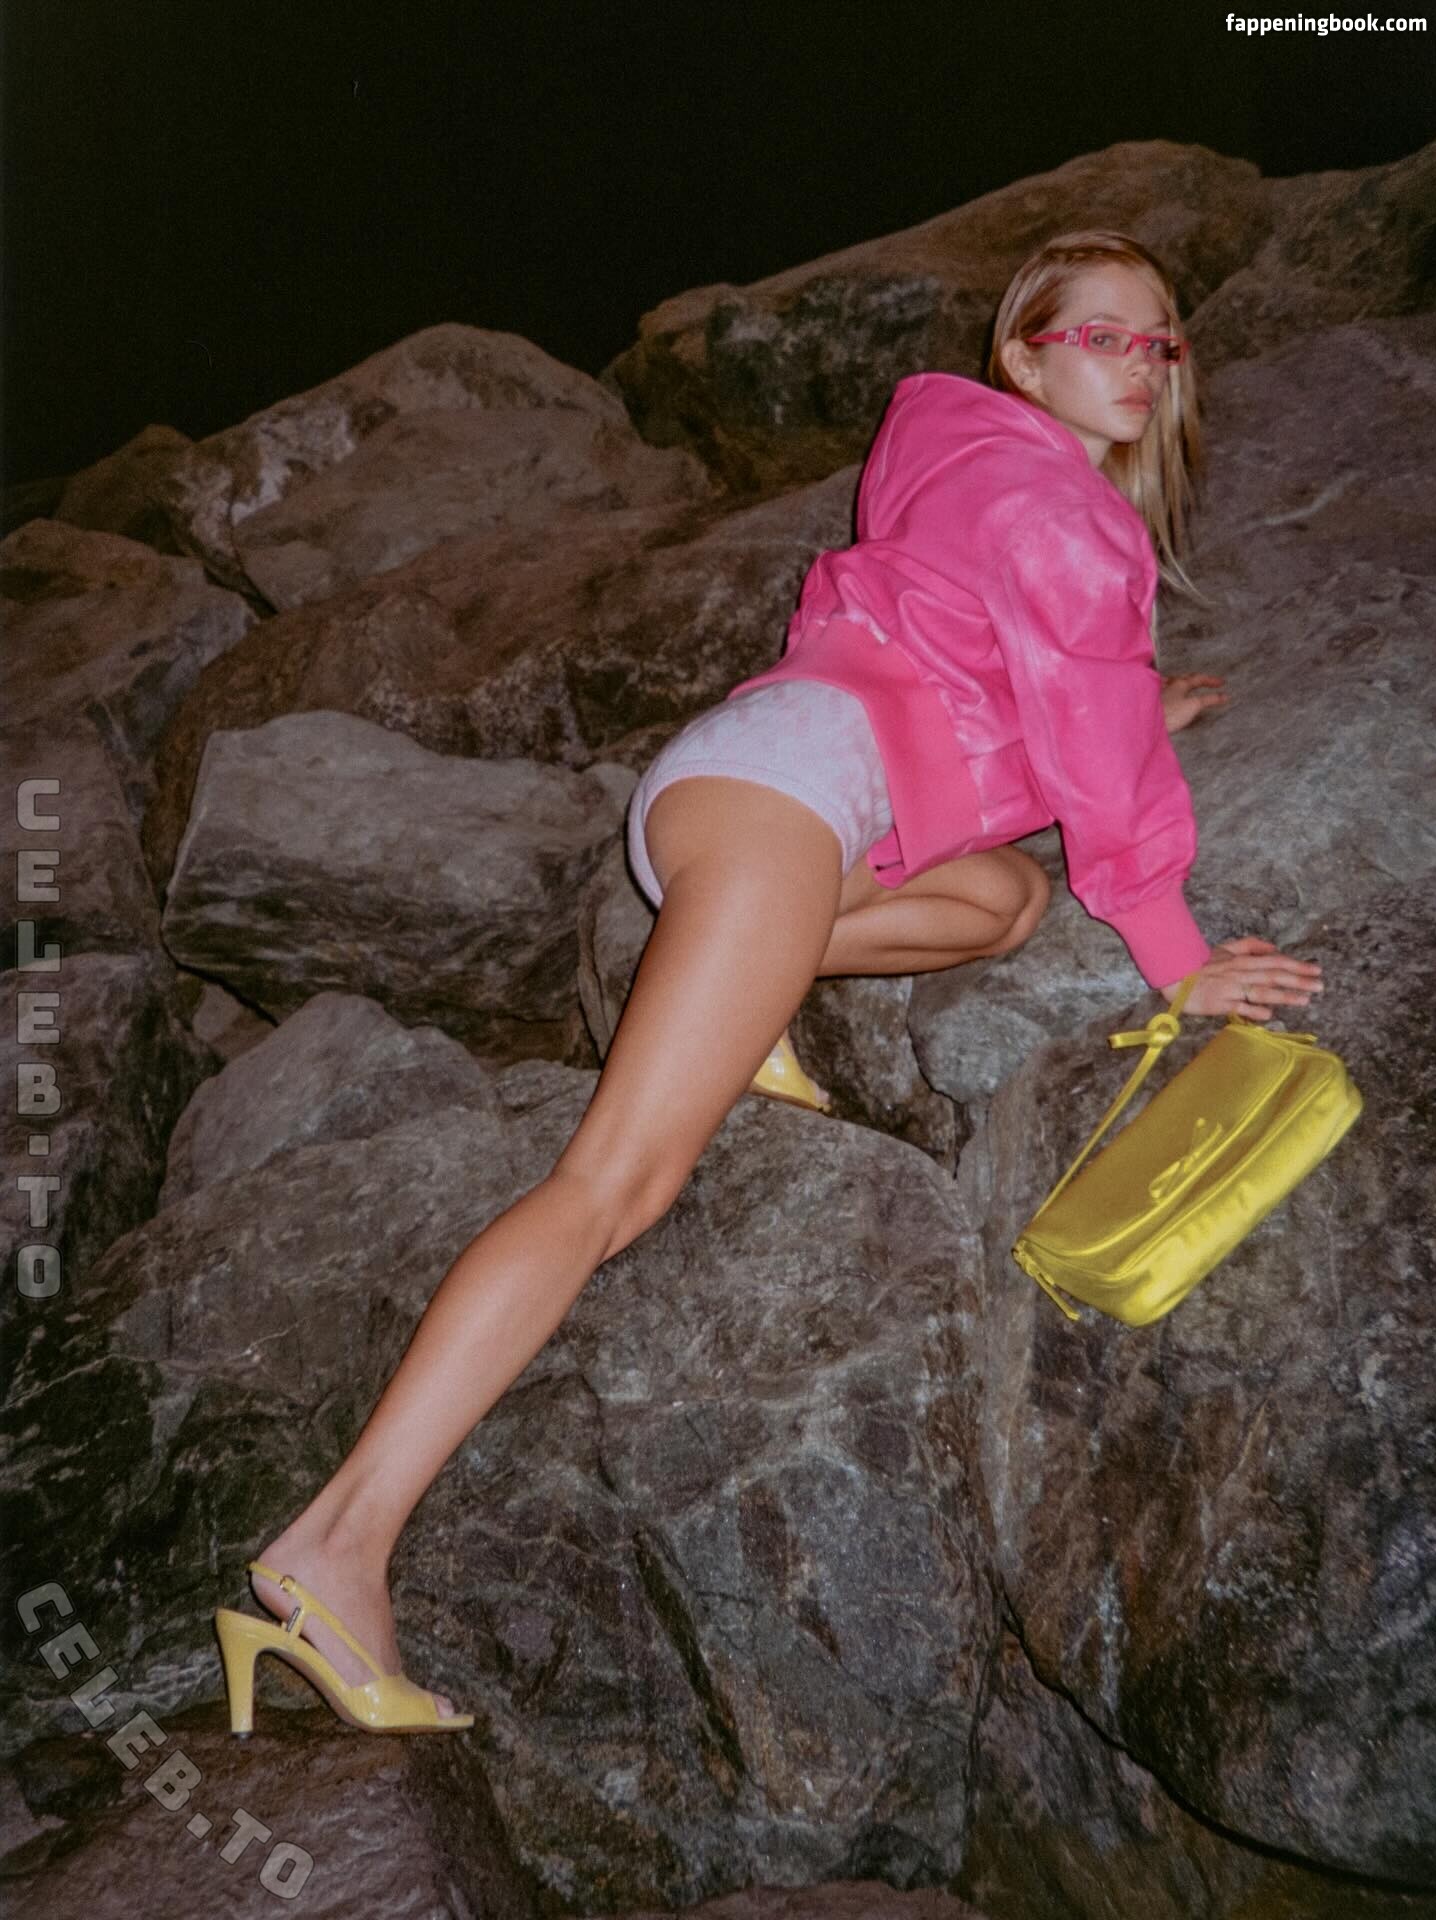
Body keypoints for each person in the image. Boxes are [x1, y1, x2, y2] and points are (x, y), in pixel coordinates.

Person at [214, 229, 1323, 1733]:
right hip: (780, 809)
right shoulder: (1060, 509)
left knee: (1001, 905)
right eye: (1102, 337)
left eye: (1161, 341)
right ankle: (335, 1549)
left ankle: (751, 995)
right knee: (612, 1187)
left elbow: (982, 681)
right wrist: (1182, 965)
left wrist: (1125, 714)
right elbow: (1095, 736)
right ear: (1025, 354)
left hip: (752, 788)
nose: (1140, 365)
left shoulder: (953, 452)